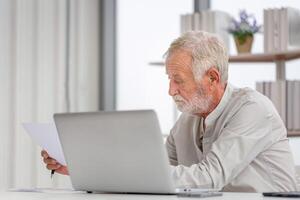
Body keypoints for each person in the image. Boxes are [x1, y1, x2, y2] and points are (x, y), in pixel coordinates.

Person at [41, 31, 298, 192]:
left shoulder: (253, 109)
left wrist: (134, 172)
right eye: (169, 79)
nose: (170, 90)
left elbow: (210, 176)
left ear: (212, 77)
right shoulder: (187, 119)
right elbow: (156, 171)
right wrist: (85, 166)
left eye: (178, 80)